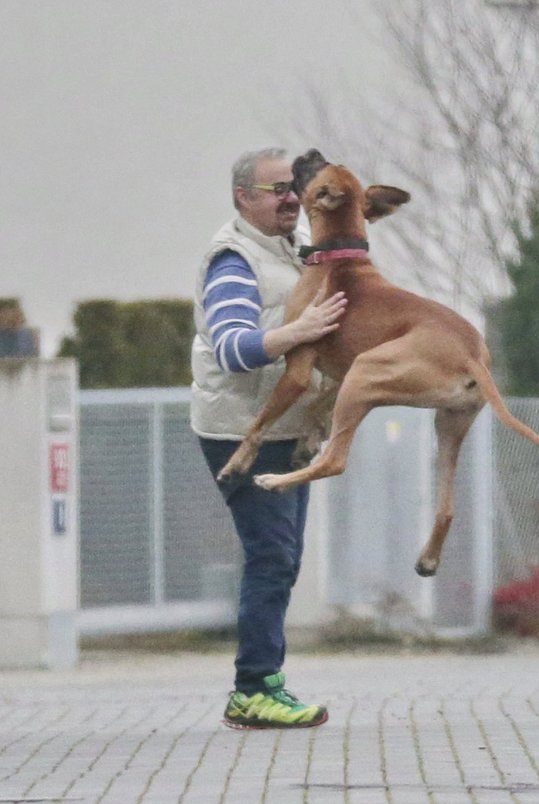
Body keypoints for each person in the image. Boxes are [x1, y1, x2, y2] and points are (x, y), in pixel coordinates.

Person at [191, 147, 346, 729]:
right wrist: (298, 330)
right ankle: (253, 691)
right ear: (243, 199)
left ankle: (263, 685)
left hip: (288, 430)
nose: (290, 198)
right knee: (271, 557)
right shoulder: (232, 262)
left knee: (283, 558)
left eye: (293, 188)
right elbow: (233, 348)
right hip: (240, 433)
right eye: (276, 189)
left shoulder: (295, 248)